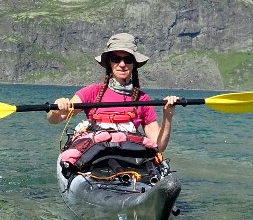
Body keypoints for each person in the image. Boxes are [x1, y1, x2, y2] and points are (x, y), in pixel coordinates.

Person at [47, 33, 178, 153]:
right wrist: (57, 107)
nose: (122, 64)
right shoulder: (92, 92)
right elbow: (55, 119)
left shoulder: (143, 99)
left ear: (134, 64)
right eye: (116, 59)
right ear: (110, 62)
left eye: (127, 60)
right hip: (95, 158)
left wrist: (168, 117)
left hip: (129, 158)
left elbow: (158, 146)